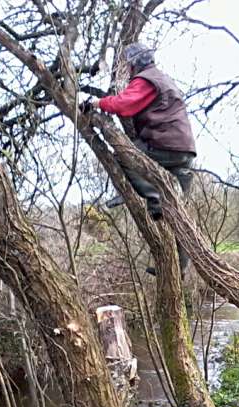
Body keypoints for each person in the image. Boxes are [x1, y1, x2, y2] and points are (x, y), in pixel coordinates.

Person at [80, 43, 194, 273]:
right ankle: (180, 267)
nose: (128, 69)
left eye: (129, 65)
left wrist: (96, 103)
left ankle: (154, 199)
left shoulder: (146, 80)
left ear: (135, 64)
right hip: (185, 150)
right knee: (180, 211)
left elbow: (124, 105)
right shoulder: (163, 78)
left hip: (165, 143)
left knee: (125, 157)